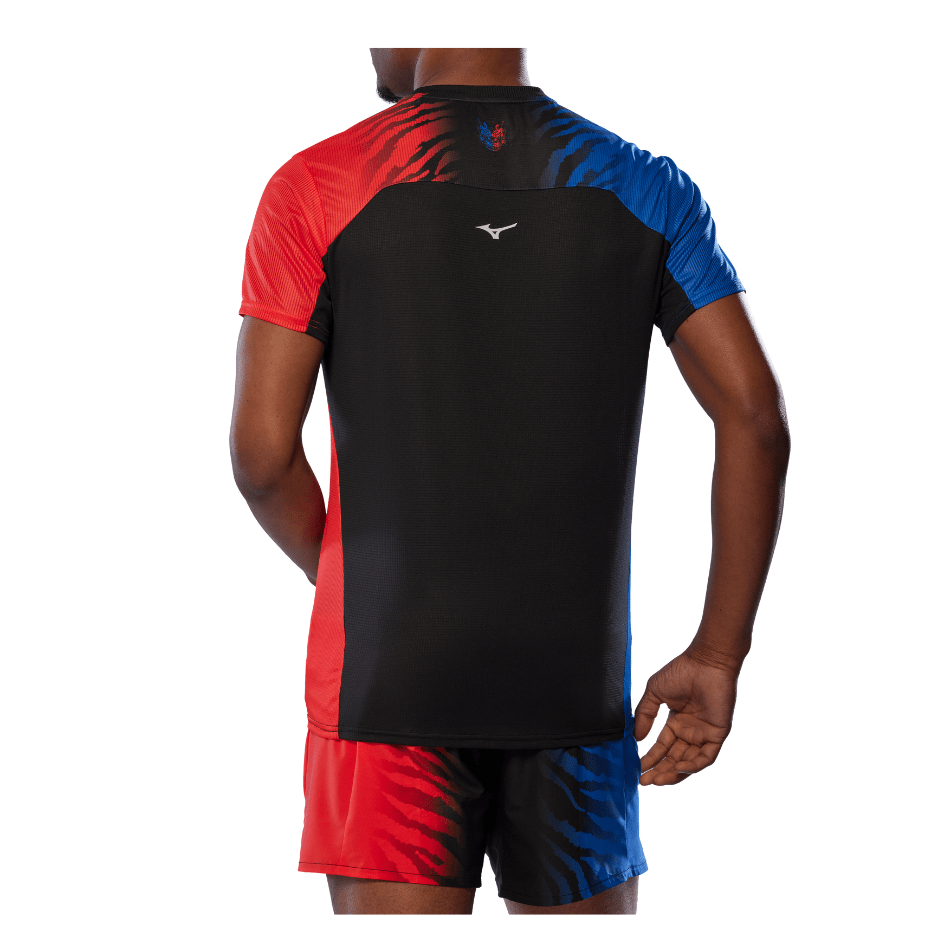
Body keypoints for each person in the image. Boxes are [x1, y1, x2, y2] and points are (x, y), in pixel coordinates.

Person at [230, 48, 790, 916]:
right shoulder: (643, 188)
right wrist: (719, 654)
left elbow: (263, 454)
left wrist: (346, 571)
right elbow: (755, 418)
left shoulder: (319, 185)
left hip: (388, 688)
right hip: (575, 694)